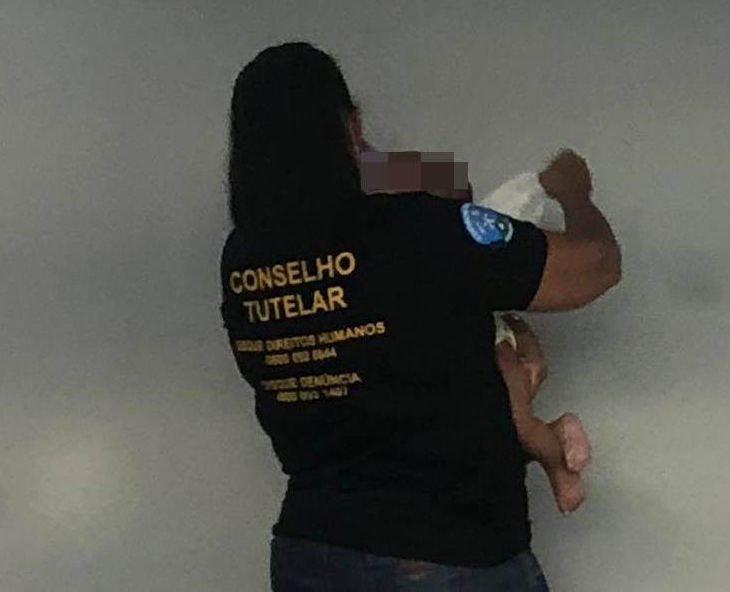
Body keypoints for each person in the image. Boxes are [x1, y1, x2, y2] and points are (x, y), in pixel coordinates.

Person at [218, 42, 621, 591]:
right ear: (350, 127)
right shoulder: (418, 232)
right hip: (441, 553)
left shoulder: (243, 260)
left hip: (309, 553)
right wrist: (576, 194)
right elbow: (595, 266)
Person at [358, 147, 594, 515]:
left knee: (515, 419)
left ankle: (559, 468)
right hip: (450, 363)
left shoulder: (462, 234)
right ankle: (557, 436)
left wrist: (544, 184)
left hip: (486, 339)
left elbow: (497, 200)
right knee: (495, 423)